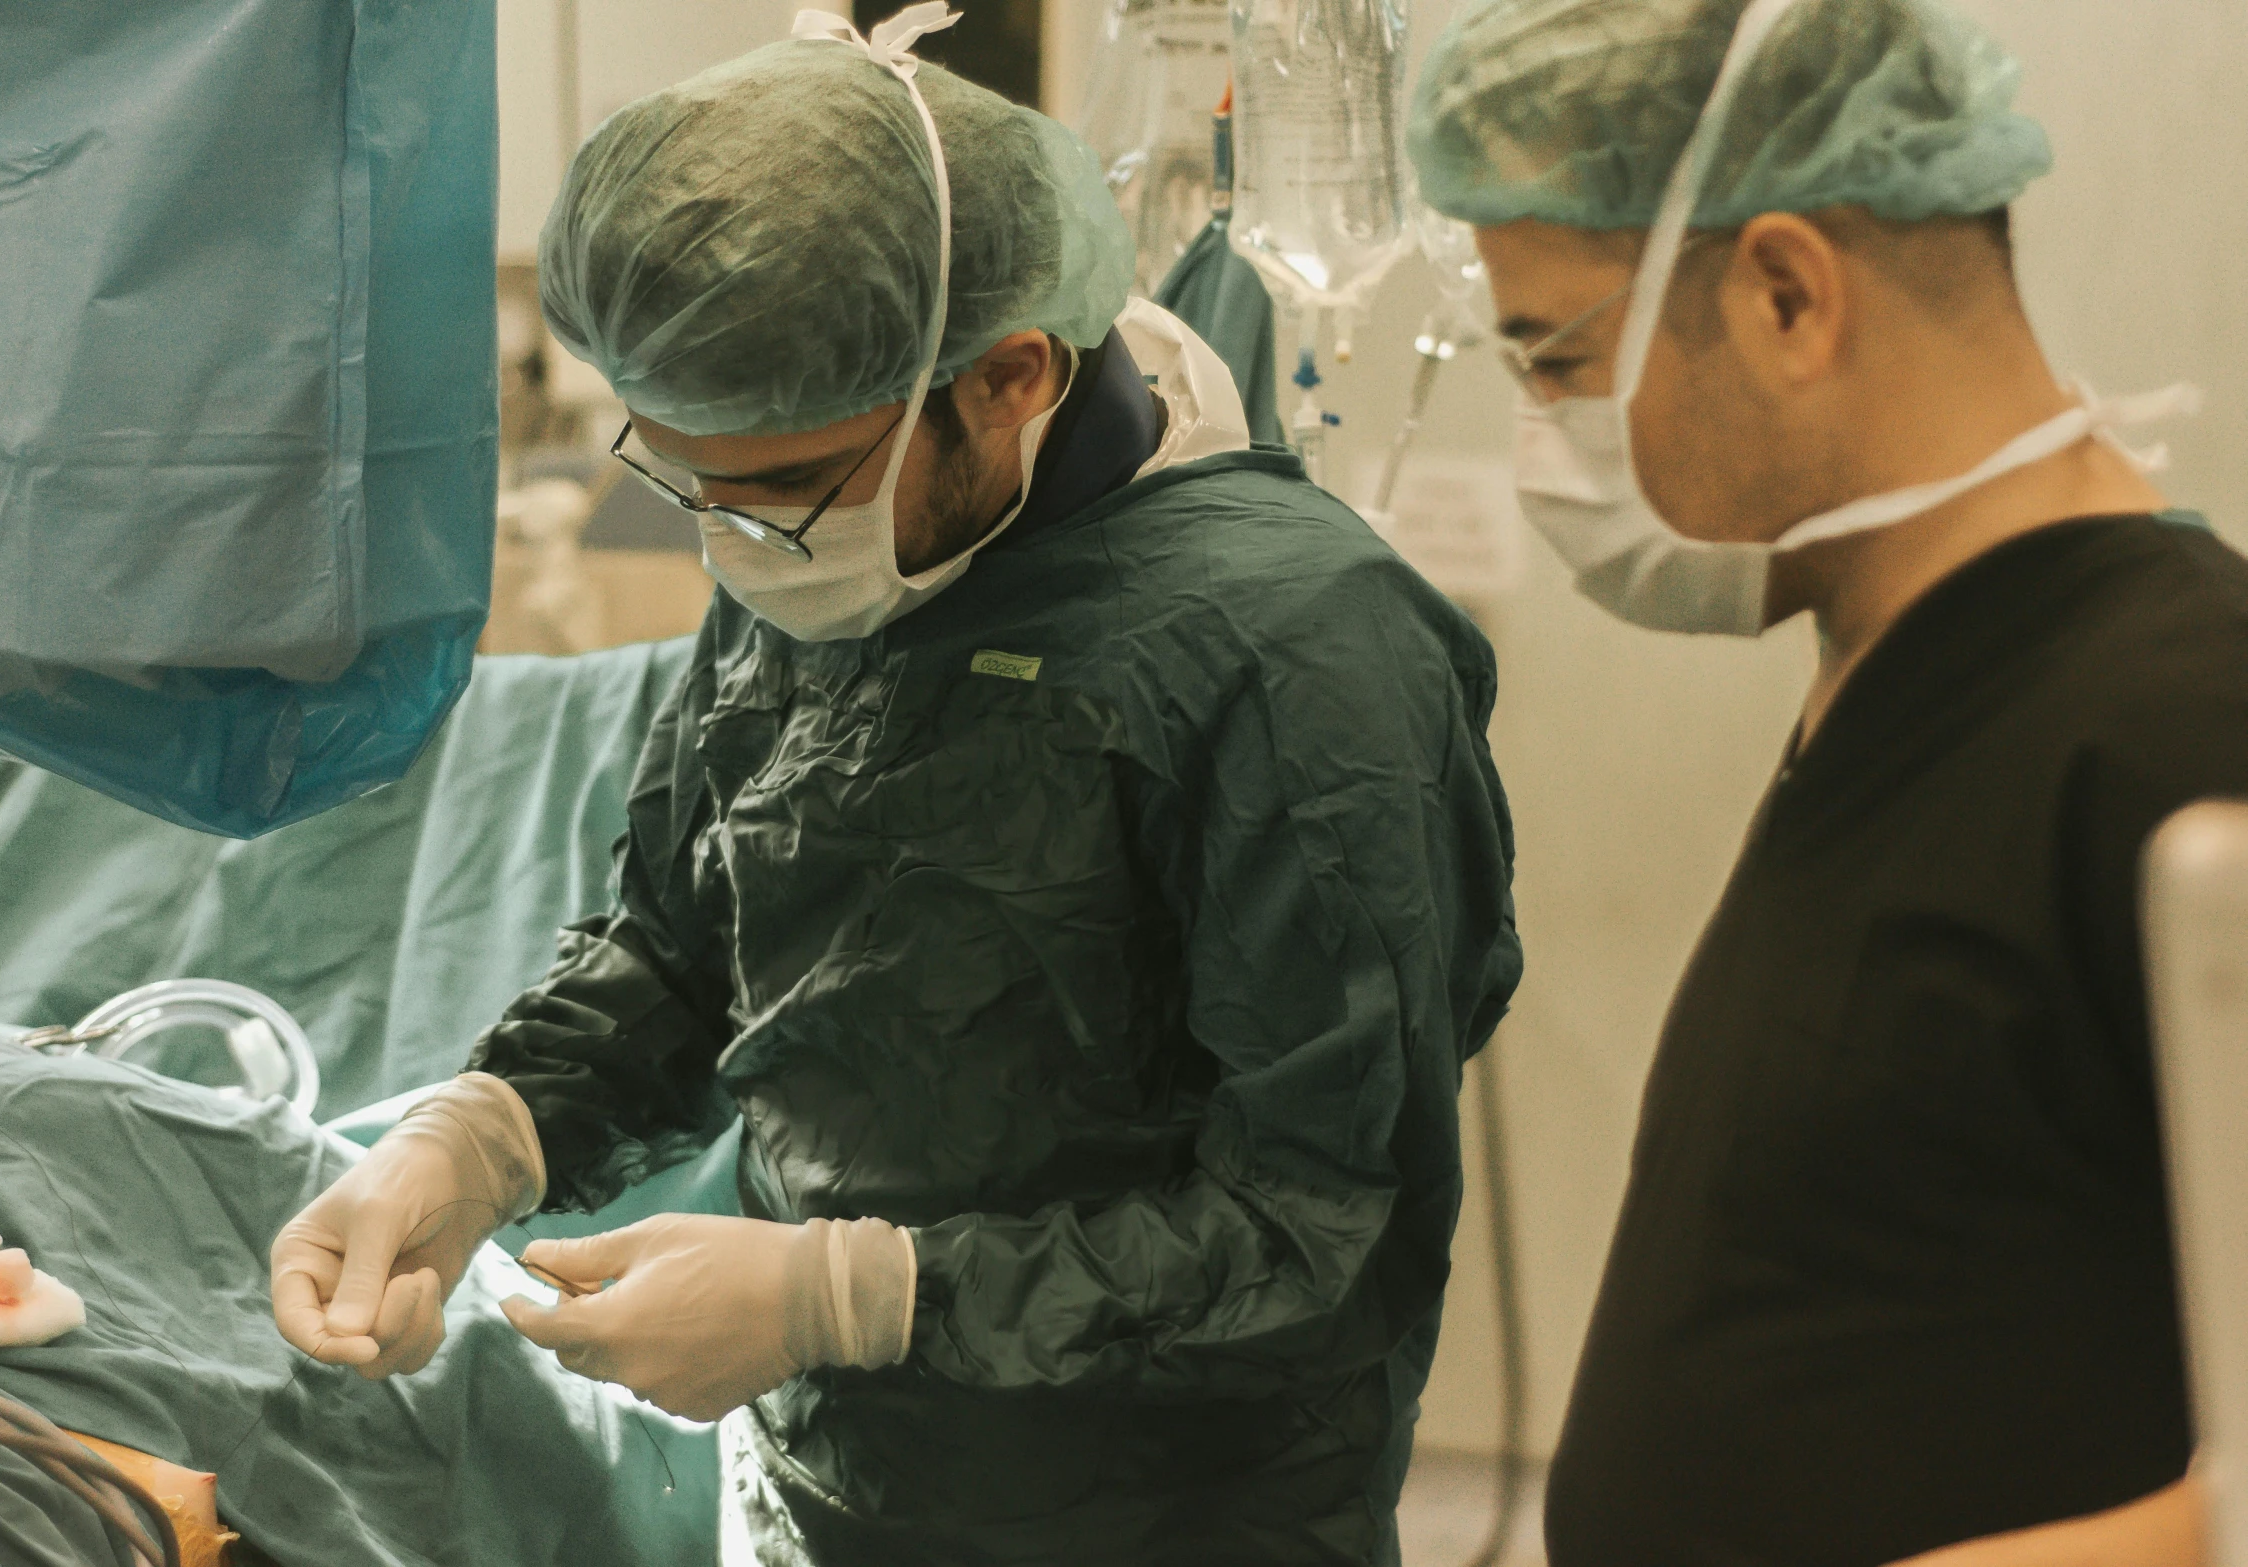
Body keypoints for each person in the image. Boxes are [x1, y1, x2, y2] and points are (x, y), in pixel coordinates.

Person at [270, 7, 1522, 1564]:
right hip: (823, 1486)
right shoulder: (822, 543)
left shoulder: (1292, 650)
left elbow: (1317, 1225)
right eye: (687, 480)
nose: (733, 542)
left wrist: (846, 1297)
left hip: (1166, 1516)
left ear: (1002, 376)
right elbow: (686, 940)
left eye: (783, 486)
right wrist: (473, 1142)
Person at [1408, 0, 2242, 1563]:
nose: (1543, 437)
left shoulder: (2182, 724)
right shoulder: (1897, 675)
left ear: (1785, 292)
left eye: (1557, 356)